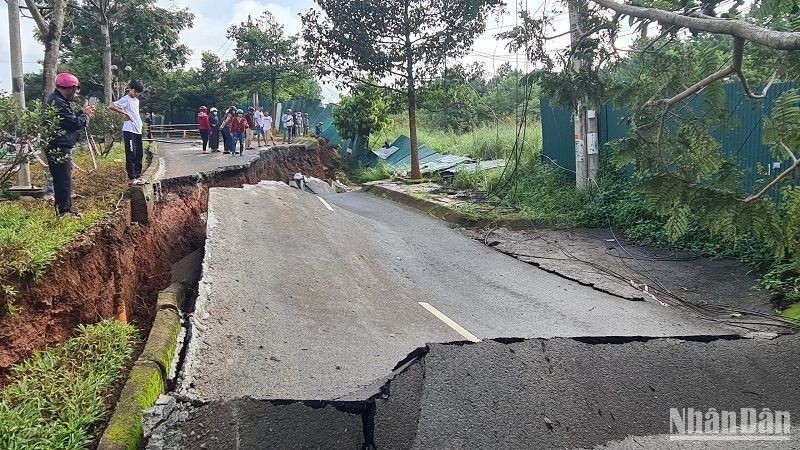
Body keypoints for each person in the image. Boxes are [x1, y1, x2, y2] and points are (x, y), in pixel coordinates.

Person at [44, 72, 95, 217]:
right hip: (58, 146)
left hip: (59, 144)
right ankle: (64, 211)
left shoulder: (57, 100)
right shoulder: (58, 103)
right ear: (71, 89)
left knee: (63, 179)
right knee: (63, 180)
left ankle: (66, 209)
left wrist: (81, 112)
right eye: (76, 91)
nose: (76, 94)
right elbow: (74, 123)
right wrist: (85, 116)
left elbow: (68, 119)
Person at [109, 80, 145, 185]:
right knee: (131, 153)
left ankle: (138, 175)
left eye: (139, 92)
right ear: (131, 89)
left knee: (139, 153)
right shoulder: (126, 99)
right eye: (136, 91)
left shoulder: (136, 101)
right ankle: (132, 177)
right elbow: (111, 106)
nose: (137, 94)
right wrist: (124, 113)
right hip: (129, 129)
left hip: (137, 129)